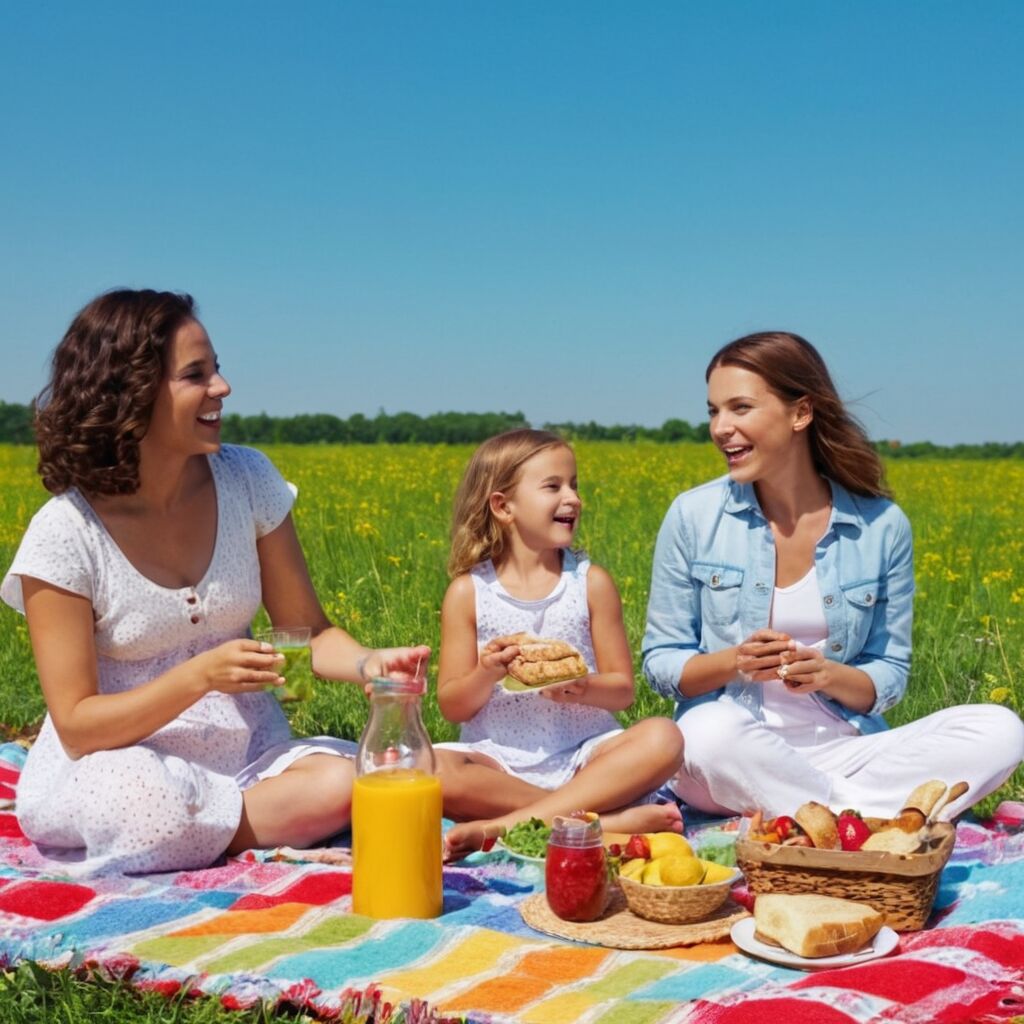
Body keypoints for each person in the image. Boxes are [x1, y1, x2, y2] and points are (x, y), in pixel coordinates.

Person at [0, 289, 430, 876]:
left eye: (217, 368)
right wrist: (199, 676)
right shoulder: (66, 532)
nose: (221, 388)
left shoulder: (248, 478)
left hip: (249, 756)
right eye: (195, 375)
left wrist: (369, 665)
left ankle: (205, 831)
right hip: (120, 763)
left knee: (350, 776)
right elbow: (77, 726)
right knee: (139, 799)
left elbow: (302, 634)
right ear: (131, 394)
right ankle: (236, 829)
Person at [643, 331, 1024, 820]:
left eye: (740, 408)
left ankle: (827, 815)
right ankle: (872, 820)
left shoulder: (881, 525)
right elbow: (662, 661)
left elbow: (889, 672)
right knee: (702, 732)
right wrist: (735, 662)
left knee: (1000, 728)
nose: (721, 428)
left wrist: (829, 675)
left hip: (847, 752)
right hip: (736, 754)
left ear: (801, 412)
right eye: (714, 411)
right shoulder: (693, 516)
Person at [436, 429, 684, 858]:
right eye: (553, 486)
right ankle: (600, 824)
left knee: (664, 737)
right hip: (499, 762)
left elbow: (623, 691)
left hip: (585, 757)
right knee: (429, 767)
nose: (572, 498)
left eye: (574, 485)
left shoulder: (591, 583)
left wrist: (582, 687)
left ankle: (504, 828)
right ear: (503, 506)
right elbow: (452, 705)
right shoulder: (468, 592)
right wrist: (487, 672)